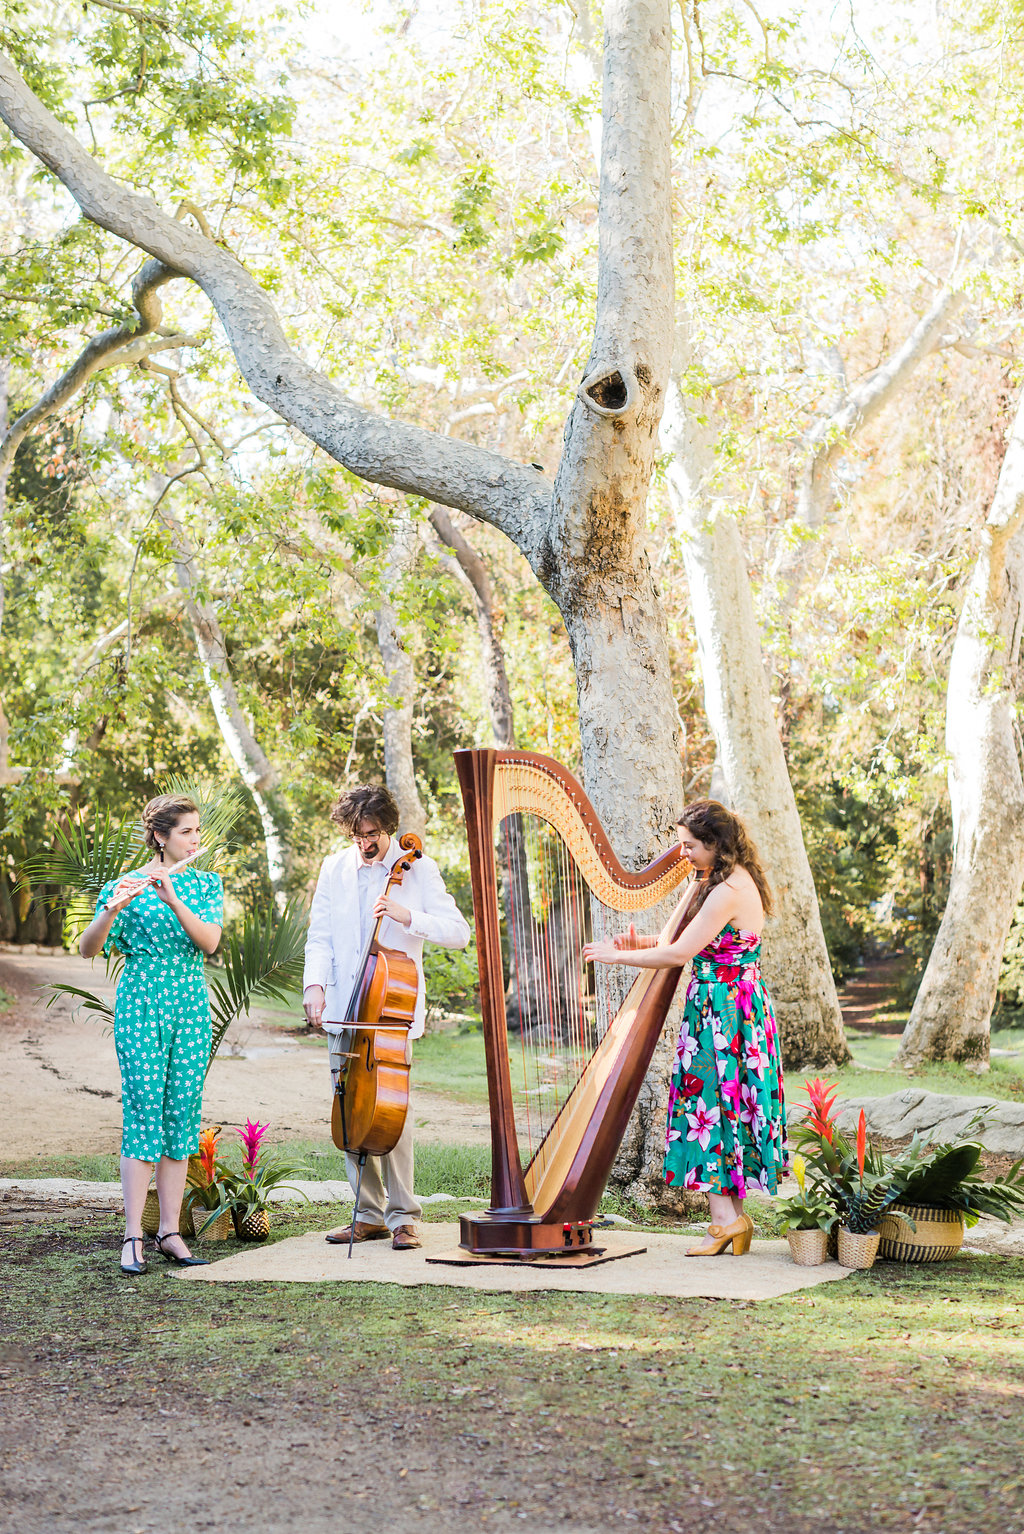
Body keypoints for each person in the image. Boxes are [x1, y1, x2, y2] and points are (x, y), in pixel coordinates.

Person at [583, 799, 787, 1257]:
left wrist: (619, 957)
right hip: (731, 1009)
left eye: (690, 845)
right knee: (723, 1110)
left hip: (725, 1014)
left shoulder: (727, 890)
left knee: (709, 1108)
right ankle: (731, 1218)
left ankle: (724, 1222)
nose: (683, 853)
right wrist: (637, 944)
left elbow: (677, 956)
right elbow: (679, 943)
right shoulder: (717, 882)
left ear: (715, 844)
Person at [303, 784, 471, 1250]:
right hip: (344, 1011)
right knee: (348, 1108)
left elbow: (459, 932)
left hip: (389, 1014)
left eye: (372, 833)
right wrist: (314, 986)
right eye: (357, 835)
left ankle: (404, 1215)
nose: (365, 843)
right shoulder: (334, 868)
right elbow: (319, 935)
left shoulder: (418, 870)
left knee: (394, 1114)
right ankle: (367, 1214)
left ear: (389, 828)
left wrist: (406, 914)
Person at [79, 794, 223, 1275]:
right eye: (186, 831)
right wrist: (112, 909)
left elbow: (209, 942)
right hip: (142, 1003)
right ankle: (132, 1236)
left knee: (181, 1114)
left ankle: (170, 1234)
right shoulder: (125, 883)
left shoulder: (205, 883)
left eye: (196, 831)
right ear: (161, 836)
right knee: (143, 1112)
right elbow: (87, 948)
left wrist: (174, 898)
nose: (195, 839)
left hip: (188, 1003)